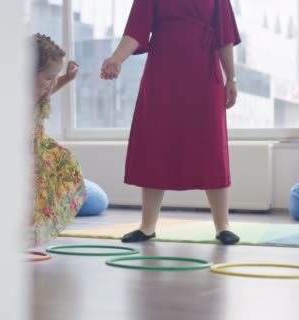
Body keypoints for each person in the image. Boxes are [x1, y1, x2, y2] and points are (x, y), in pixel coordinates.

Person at [100, 0, 241, 244]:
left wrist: (232, 78)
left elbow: (225, 37)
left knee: (211, 145)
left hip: (204, 74)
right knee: (157, 141)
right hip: (163, 74)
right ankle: (147, 226)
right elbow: (136, 29)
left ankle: (222, 225)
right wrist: (116, 59)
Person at [31, 33, 86, 246]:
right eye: (48, 77)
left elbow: (51, 88)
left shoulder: (40, 90)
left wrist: (68, 78)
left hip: (41, 148)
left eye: (56, 76)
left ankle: (36, 230)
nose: (52, 83)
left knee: (66, 166)